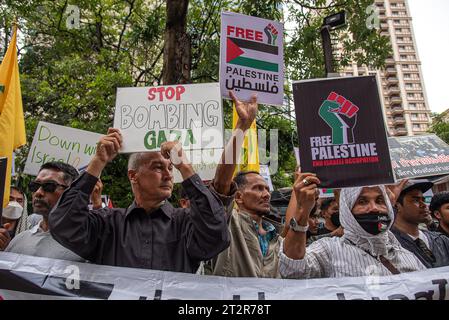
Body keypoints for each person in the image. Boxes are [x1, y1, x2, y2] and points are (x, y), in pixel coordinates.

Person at [48, 130, 233, 273]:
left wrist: (184, 166)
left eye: (171, 167)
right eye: (158, 167)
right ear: (133, 175)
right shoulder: (107, 223)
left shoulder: (185, 223)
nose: (169, 175)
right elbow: (63, 224)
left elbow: (217, 234)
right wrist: (98, 161)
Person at [280, 173, 425, 279]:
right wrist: (303, 210)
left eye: (380, 201)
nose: (374, 208)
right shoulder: (329, 250)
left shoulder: (405, 254)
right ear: (347, 210)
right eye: (362, 202)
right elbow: (293, 269)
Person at [5, 162, 85, 262]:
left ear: (72, 193)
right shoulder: (18, 241)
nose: (38, 192)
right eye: (35, 186)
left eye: (49, 186)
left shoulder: (87, 245)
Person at [391, 180, 449, 268]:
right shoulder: (389, 244)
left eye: (423, 199)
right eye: (416, 200)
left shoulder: (442, 240)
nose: (424, 205)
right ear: (397, 206)